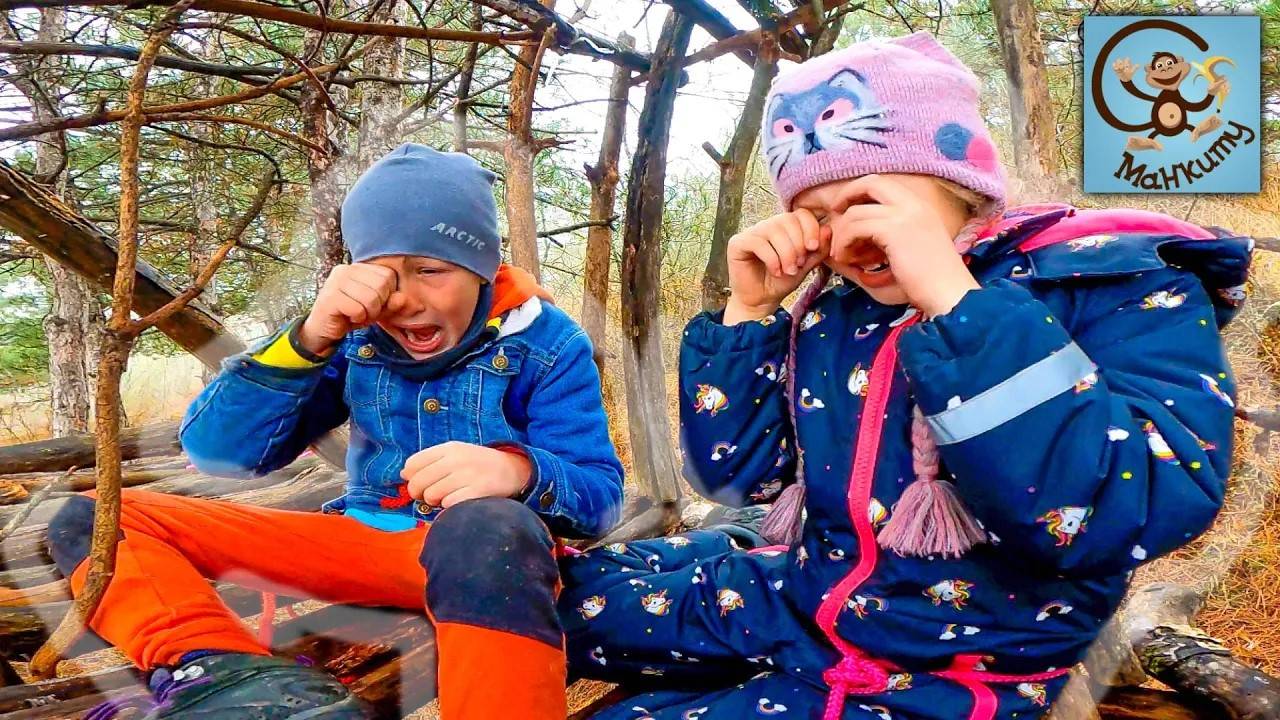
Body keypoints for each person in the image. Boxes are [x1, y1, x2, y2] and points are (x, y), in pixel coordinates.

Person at [558, 32, 1252, 719]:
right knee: (549, 602)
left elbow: (1114, 513)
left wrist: (955, 303)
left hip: (947, 670)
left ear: (958, 184)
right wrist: (750, 312)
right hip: (799, 596)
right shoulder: (833, 312)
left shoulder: (1115, 282)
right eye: (817, 216)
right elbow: (739, 483)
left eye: (868, 201)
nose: (847, 238)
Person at [47, 143, 624, 720]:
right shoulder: (352, 335)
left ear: (482, 268)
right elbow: (219, 453)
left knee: (487, 525)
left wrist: (517, 471)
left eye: (431, 270)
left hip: (489, 559)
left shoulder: (549, 344)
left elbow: (600, 498)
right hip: (361, 542)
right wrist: (306, 341)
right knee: (94, 517)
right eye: (382, 275)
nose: (403, 300)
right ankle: (228, 673)